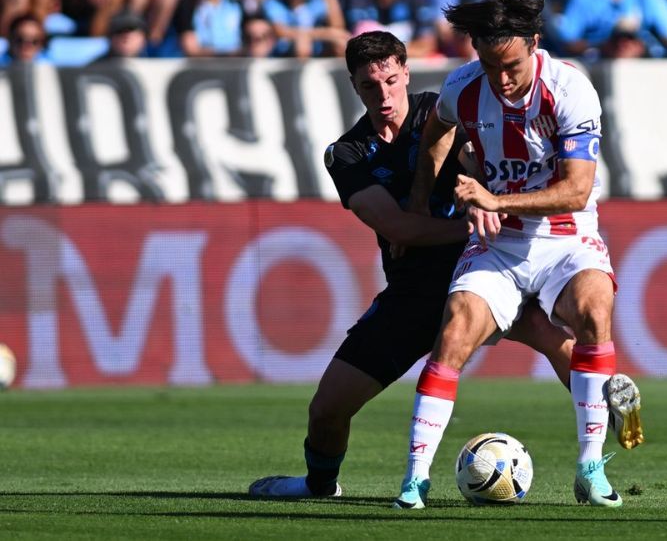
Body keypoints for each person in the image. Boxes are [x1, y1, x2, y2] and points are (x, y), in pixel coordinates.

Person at [248, 30, 642, 499]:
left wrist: (488, 201)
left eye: (391, 81)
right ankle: (319, 484)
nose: (384, 94)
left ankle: (604, 428)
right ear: (354, 86)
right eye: (370, 86)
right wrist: (481, 217)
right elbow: (401, 231)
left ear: (405, 72)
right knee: (327, 410)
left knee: (561, 339)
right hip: (417, 290)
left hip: (487, 269)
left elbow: (482, 166)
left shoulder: (443, 110)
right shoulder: (347, 153)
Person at [393, 0, 639, 510]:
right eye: (489, 65)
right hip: (498, 246)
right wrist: (421, 201)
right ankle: (415, 480)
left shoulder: (570, 89)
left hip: (566, 236)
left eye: (510, 66)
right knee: (455, 329)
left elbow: (575, 189)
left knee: (595, 309)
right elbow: (437, 128)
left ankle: (590, 469)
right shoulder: (464, 86)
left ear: (534, 44)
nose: (500, 80)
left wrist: (492, 197)